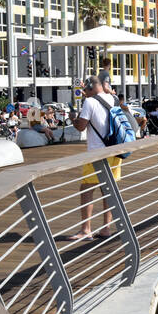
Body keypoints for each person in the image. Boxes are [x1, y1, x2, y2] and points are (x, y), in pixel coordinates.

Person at [68, 75, 120, 241]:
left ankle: (86, 230)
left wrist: (73, 118)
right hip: (116, 151)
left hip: (97, 153)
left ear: (89, 88)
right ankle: (106, 228)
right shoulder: (113, 98)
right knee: (108, 190)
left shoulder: (89, 102)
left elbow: (81, 127)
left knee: (87, 189)